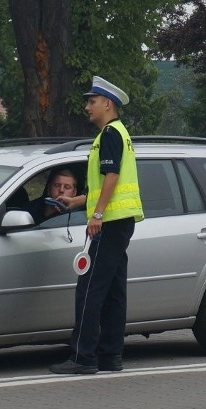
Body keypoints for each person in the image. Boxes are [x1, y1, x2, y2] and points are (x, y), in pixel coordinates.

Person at [50, 76, 144, 375]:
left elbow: (112, 177)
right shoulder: (119, 133)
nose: (86, 106)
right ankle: (110, 356)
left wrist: (97, 216)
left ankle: (83, 357)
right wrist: (77, 202)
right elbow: (106, 182)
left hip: (110, 223)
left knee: (89, 289)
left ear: (107, 104)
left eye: (91, 101)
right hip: (121, 222)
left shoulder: (109, 135)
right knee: (115, 291)